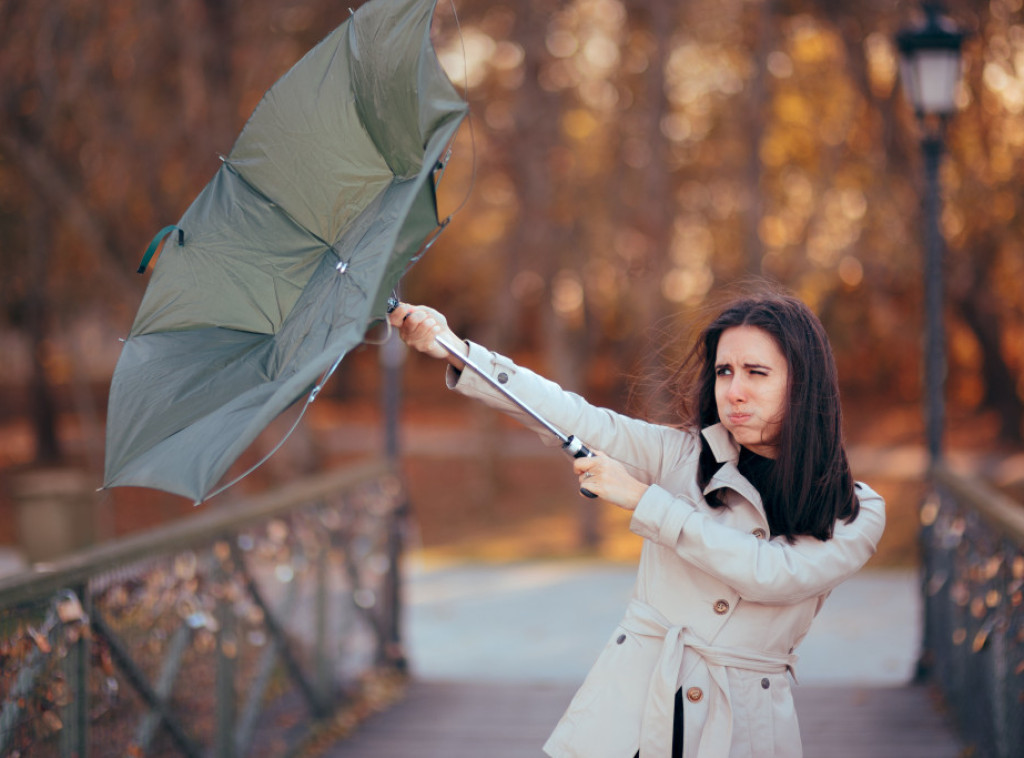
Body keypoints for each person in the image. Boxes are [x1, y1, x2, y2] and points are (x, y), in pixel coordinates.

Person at [387, 290, 885, 758]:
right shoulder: (681, 455)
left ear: (804, 381)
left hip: (744, 729)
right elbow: (573, 416)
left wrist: (644, 500)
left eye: (756, 372)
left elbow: (771, 575)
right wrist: (456, 350)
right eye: (724, 371)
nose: (734, 391)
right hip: (632, 709)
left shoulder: (854, 510)